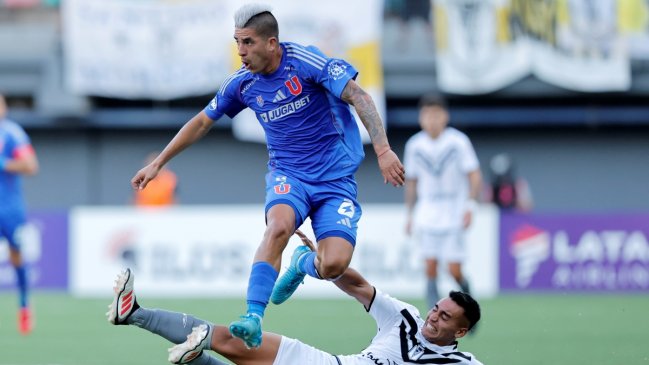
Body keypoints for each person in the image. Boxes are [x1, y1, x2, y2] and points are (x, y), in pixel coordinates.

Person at [130, 3, 405, 349]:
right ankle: (253, 316)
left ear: (272, 43)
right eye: (236, 42)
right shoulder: (242, 84)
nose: (241, 51)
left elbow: (359, 95)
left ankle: (304, 263)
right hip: (288, 174)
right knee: (278, 227)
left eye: (247, 42)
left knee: (333, 263)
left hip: (335, 179)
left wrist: (382, 150)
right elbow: (202, 121)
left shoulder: (307, 63)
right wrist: (159, 163)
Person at [107, 231, 483, 365]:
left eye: (446, 318)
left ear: (461, 332)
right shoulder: (405, 317)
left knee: (224, 346)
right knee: (229, 339)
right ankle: (134, 313)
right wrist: (320, 262)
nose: (434, 317)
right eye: (438, 308)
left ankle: (199, 355)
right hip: (323, 363)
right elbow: (358, 286)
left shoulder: (464, 363)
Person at [403, 94, 482, 312]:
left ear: (445, 117)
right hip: (427, 211)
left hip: (453, 211)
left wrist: (470, 206)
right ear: (421, 118)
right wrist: (409, 215)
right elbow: (411, 182)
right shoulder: (415, 145)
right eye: (427, 115)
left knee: (454, 269)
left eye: (436, 115)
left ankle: (468, 304)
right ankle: (433, 317)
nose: (432, 120)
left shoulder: (458, 142)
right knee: (430, 267)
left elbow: (474, 175)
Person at [0, 93, 39, 335]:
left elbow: (31, 165)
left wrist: (3, 163)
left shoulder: (12, 132)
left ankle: (24, 305)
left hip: (9, 208)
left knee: (16, 255)